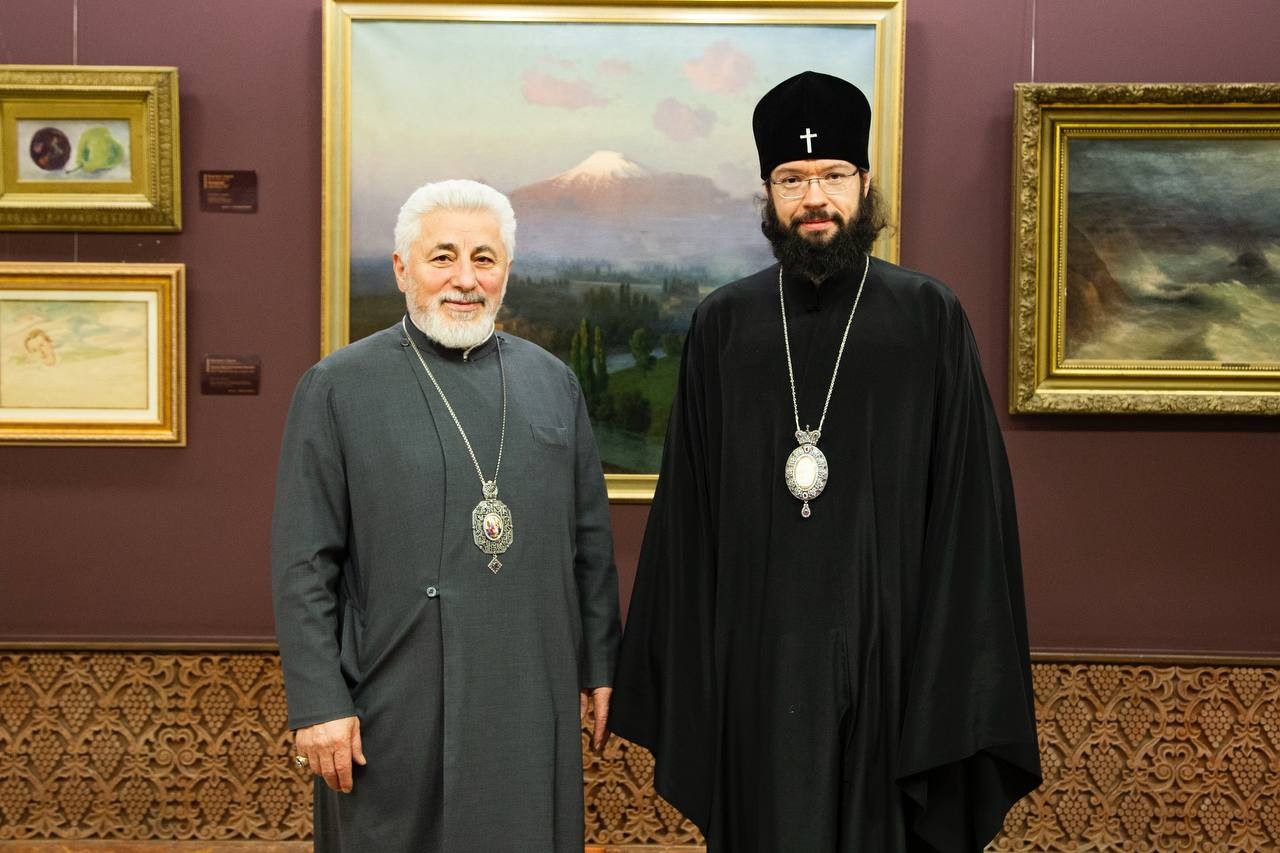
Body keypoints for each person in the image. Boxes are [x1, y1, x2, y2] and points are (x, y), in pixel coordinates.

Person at [609, 71, 1041, 852]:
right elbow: (686, 521)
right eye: (793, 178)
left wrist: (945, 678)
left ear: (865, 183)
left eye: (834, 175)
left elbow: (970, 518)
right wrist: (695, 678)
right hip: (757, 672)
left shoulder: (927, 317)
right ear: (768, 192)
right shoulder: (724, 326)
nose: (815, 196)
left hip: (895, 667)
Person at [271, 179, 620, 852]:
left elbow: (589, 540)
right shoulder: (337, 386)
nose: (465, 279)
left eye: (484, 258)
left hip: (528, 686)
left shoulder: (554, 383)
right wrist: (319, 703)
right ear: (403, 269)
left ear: (506, 272)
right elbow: (303, 561)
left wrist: (600, 661)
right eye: (443, 256)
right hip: (393, 698)